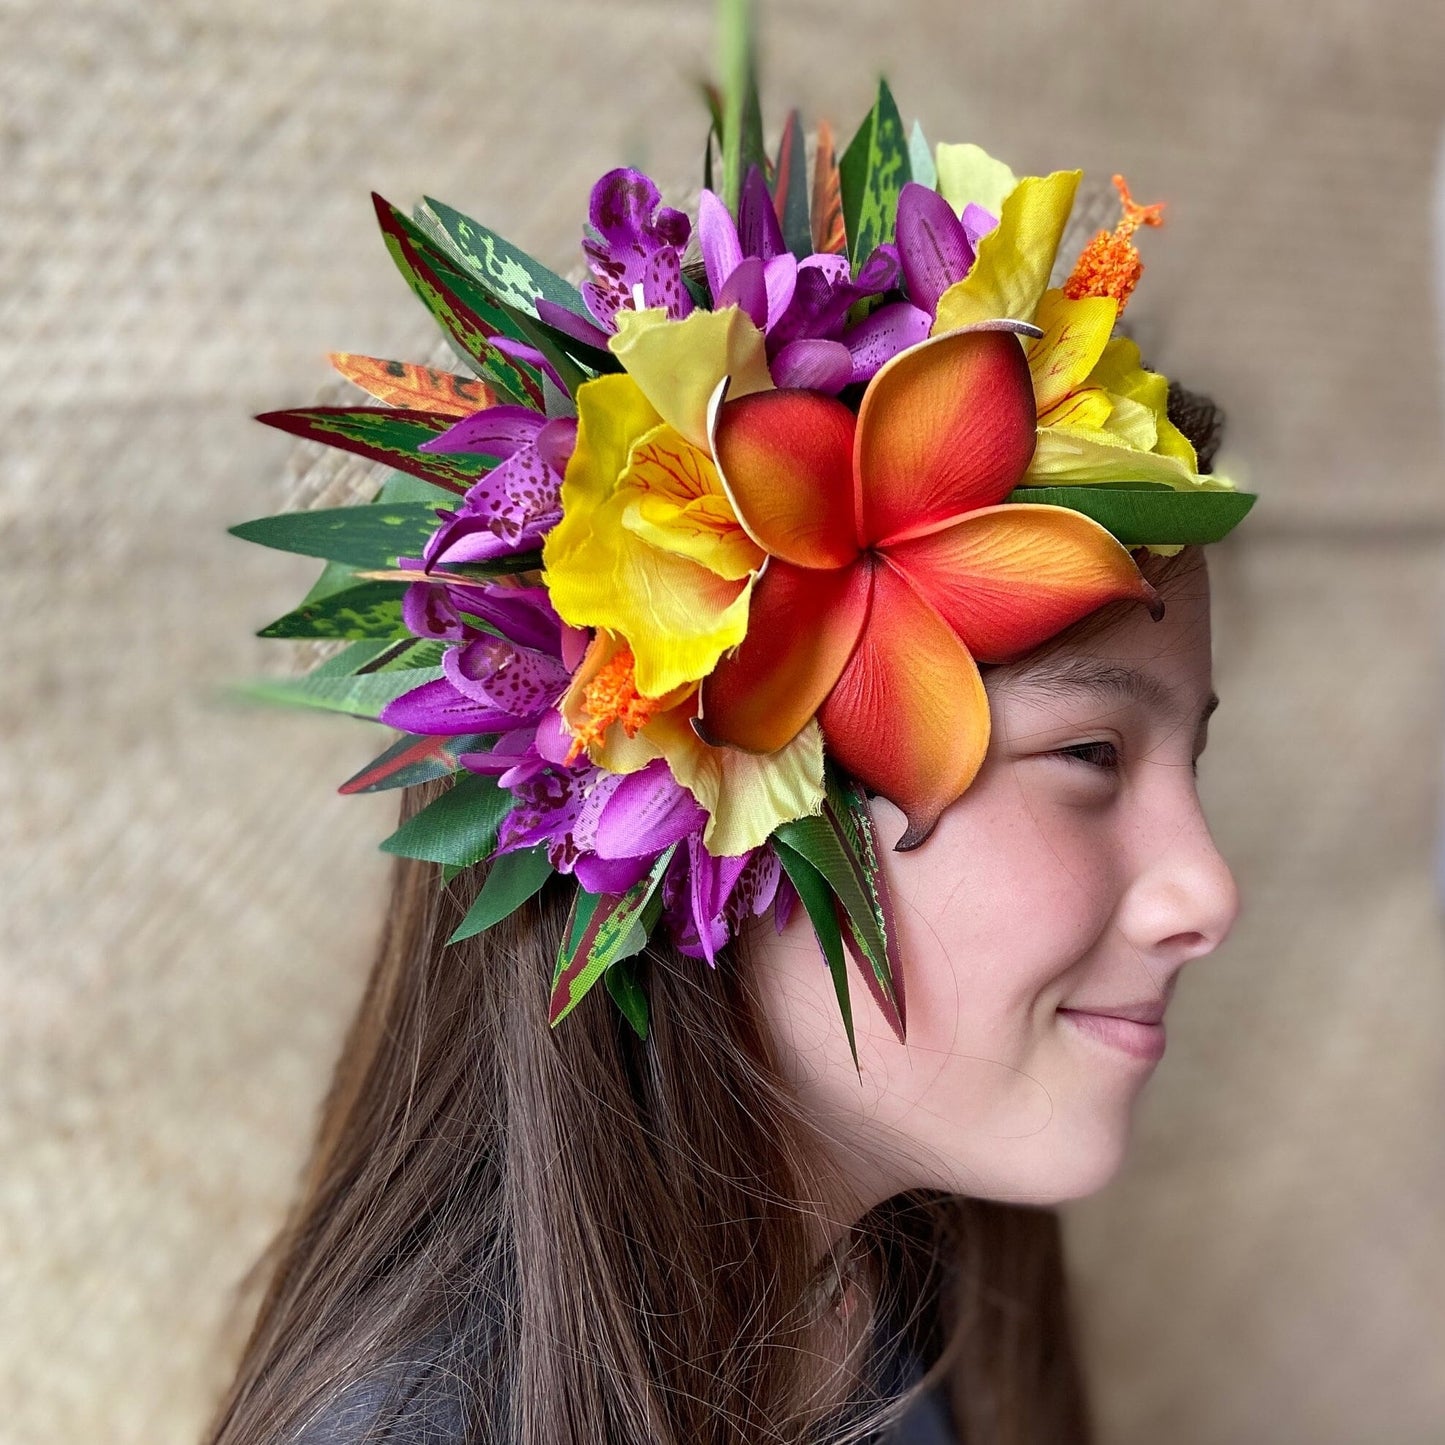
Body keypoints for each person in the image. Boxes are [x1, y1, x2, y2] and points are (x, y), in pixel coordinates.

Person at [212, 59, 1252, 1445]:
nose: (1205, 890)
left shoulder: (886, 1308)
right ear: (711, 775)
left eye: (1187, 763)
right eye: (1088, 757)